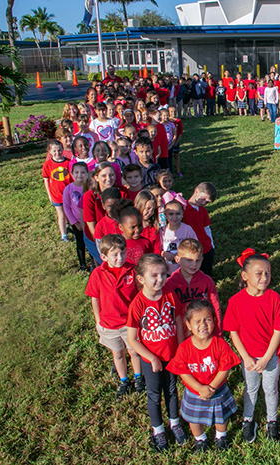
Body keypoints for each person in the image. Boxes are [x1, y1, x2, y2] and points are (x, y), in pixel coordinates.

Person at [223, 250, 280, 443]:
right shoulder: (236, 301)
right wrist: (246, 357)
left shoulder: (274, 298)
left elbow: (278, 331)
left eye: (267, 272)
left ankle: (272, 420)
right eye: (259, 273)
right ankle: (248, 420)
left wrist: (267, 357)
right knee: (250, 389)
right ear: (245, 276)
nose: (264, 277)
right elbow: (233, 331)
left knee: (270, 389)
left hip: (270, 356)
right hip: (248, 357)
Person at [126, 254, 185, 453]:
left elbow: (177, 321)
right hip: (150, 359)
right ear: (141, 279)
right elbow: (133, 339)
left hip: (171, 355)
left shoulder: (170, 295)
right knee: (154, 394)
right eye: (154, 275)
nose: (160, 279)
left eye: (163, 274)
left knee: (171, 390)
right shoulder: (137, 305)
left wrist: (180, 349)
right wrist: (151, 358)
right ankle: (158, 430)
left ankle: (174, 422)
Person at [167, 299, 240, 453]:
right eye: (197, 321)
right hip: (195, 393)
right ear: (188, 325)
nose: (203, 325)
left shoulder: (220, 344)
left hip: (217, 390)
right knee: (194, 419)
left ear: (214, 321)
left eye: (207, 319)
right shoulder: (184, 348)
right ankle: (200, 439)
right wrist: (200, 388)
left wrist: (212, 387)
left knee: (221, 417)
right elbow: (182, 371)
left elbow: (224, 368)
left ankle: (221, 436)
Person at [85, 234, 144, 400]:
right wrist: (98, 320)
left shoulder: (133, 270)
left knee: (134, 351)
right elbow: (94, 298)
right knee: (118, 354)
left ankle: (139, 377)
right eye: (115, 255)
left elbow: (141, 294)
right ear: (104, 257)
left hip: (130, 323)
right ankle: (124, 380)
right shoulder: (97, 274)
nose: (120, 258)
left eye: (123, 253)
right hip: (109, 324)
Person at [166, 238, 221, 329]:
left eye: (197, 260)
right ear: (177, 259)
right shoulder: (170, 284)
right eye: (189, 260)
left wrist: (218, 330)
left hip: (204, 329)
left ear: (202, 259)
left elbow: (216, 307)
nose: (194, 264)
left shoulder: (207, 281)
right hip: (181, 332)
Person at [42, 139, 72, 241]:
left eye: (59, 150)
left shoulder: (68, 162)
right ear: (49, 152)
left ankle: (73, 229)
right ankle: (64, 235)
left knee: (71, 213)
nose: (57, 153)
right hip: (56, 194)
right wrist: (49, 195)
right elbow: (46, 180)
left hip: (68, 194)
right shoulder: (47, 164)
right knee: (61, 214)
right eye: (54, 151)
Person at [63, 161, 90, 271]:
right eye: (77, 172)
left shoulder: (89, 187)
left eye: (83, 172)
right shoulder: (68, 189)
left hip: (89, 221)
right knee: (80, 243)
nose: (80, 175)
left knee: (91, 241)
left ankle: (94, 262)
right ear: (72, 174)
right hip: (77, 222)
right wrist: (74, 222)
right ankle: (82, 264)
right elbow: (66, 207)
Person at [159, 200, 197, 274]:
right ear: (165, 215)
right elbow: (158, 248)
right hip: (166, 270)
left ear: (182, 214)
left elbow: (195, 247)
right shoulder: (162, 231)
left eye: (178, 214)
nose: (174, 217)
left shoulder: (187, 229)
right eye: (171, 214)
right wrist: (164, 253)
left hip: (184, 269)